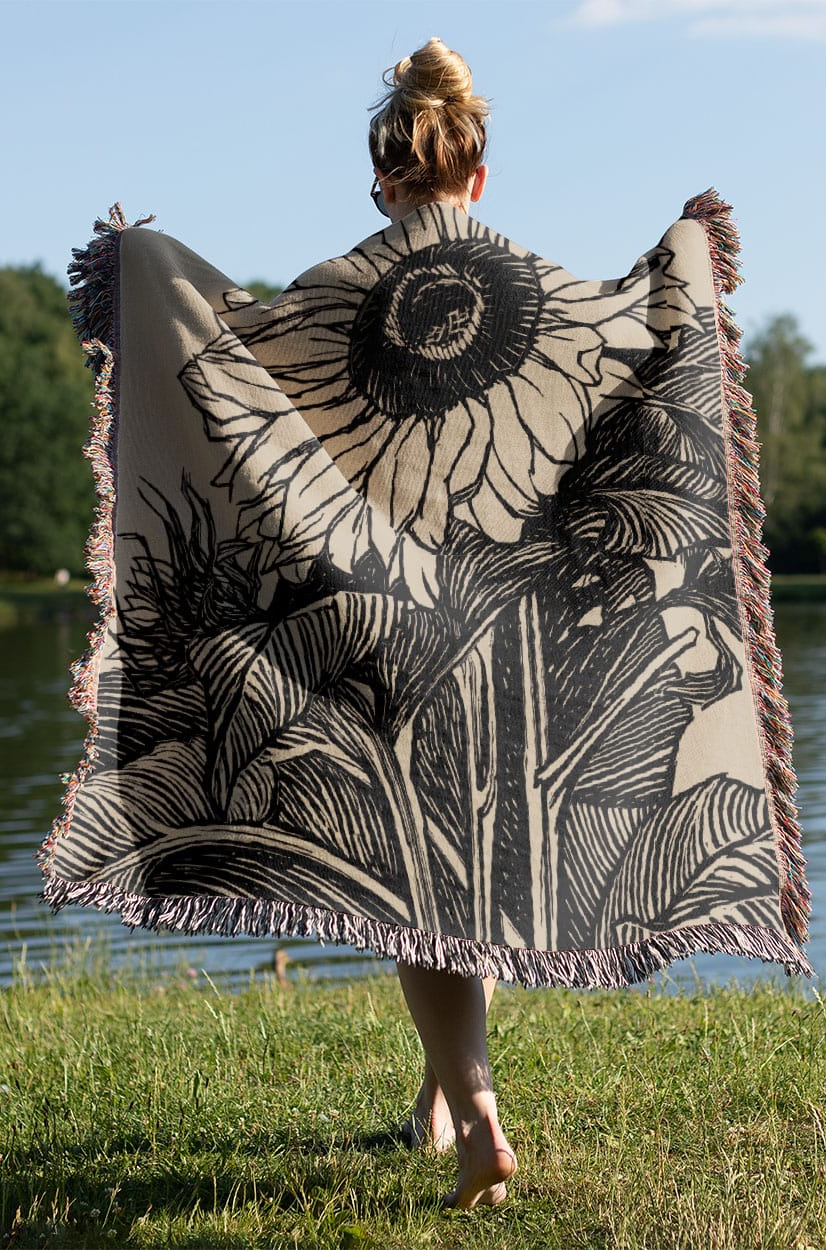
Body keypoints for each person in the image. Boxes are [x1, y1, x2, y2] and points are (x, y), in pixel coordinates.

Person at [366, 37, 517, 1212]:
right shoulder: (526, 287)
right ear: (475, 173)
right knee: (459, 869)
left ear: (384, 179)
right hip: (509, 616)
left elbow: (240, 388)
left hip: (392, 615)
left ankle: (476, 1116)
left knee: (414, 882)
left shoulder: (348, 289)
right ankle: (434, 1098)